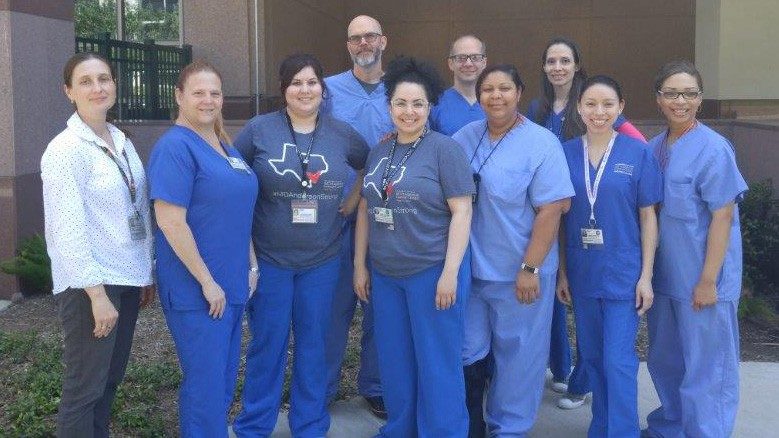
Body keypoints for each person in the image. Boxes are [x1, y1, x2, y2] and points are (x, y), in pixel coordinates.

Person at [232, 54, 369, 437]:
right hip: (270, 260)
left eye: (312, 82)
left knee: (314, 346)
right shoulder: (259, 130)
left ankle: (309, 424)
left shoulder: (341, 134)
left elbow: (369, 165)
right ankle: (255, 426)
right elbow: (234, 174)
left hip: (322, 261)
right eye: (296, 83)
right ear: (284, 89)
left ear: (323, 89)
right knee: (268, 344)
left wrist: (352, 200)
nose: (305, 90)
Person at [354, 56, 474, 437]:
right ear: (389, 106)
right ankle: (401, 429)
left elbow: (462, 212)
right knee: (396, 363)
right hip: (386, 275)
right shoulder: (380, 151)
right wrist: (360, 266)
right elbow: (366, 209)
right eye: (401, 103)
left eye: (418, 103)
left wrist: (450, 273)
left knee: (438, 365)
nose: (409, 111)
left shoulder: (445, 150)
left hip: (431, 272)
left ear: (430, 105)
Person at [454, 64, 574, 437]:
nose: (496, 96)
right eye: (487, 89)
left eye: (504, 88)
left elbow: (552, 209)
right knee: (467, 349)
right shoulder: (465, 137)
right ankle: (470, 425)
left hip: (521, 273)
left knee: (519, 357)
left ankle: (509, 428)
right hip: (472, 272)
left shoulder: (541, 143)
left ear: (519, 93)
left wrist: (530, 268)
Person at [526, 37, 647, 410]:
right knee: (579, 331)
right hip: (570, 241)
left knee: (610, 348)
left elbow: (635, 150)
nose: (557, 67)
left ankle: (591, 394)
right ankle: (571, 380)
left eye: (565, 60)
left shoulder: (610, 119)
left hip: (612, 248)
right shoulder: (543, 115)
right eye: (551, 61)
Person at [42, 52, 155, 438]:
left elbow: (135, 207)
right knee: (84, 389)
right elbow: (67, 230)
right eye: (86, 81)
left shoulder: (120, 140)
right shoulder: (65, 150)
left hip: (125, 279)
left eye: (104, 79)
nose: (97, 88)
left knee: (108, 382)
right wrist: (96, 294)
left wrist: (144, 271)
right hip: (90, 287)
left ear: (115, 84)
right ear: (68, 91)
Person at [148, 60, 258, 437]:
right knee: (206, 389)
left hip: (232, 285)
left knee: (222, 384)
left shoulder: (225, 145)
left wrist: (252, 265)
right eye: (198, 92)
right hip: (199, 292)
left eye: (214, 93)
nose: (207, 100)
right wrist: (207, 282)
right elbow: (170, 221)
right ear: (179, 96)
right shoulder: (175, 147)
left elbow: (238, 211)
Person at [644, 60, 747, 438]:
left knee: (708, 367)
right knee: (667, 360)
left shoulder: (714, 149)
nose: (680, 101)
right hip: (666, 278)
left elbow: (722, 216)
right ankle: (671, 426)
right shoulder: (654, 148)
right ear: (658, 99)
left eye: (689, 94)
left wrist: (707, 281)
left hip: (704, 281)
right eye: (671, 93)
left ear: (701, 99)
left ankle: (708, 432)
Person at [556, 75, 662, 437]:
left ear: (621, 108)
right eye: (590, 104)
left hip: (624, 274)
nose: (598, 112)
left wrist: (646, 276)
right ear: (578, 108)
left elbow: (648, 217)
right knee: (593, 357)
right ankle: (600, 427)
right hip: (583, 272)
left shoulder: (638, 152)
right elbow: (559, 219)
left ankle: (623, 431)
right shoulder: (565, 153)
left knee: (618, 360)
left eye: (607, 104)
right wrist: (563, 273)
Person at [323, 14, 393, 418]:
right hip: (336, 213)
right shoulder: (327, 90)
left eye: (370, 36)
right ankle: (323, 387)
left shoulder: (400, 88)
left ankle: (376, 386)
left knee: (380, 307)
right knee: (332, 307)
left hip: (387, 215)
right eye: (355, 38)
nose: (363, 43)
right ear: (348, 45)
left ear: (383, 41)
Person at [429, 34, 487, 135]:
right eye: (461, 58)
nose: (468, 64)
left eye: (475, 57)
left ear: (484, 62)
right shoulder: (435, 104)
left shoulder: (496, 102)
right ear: (450, 63)